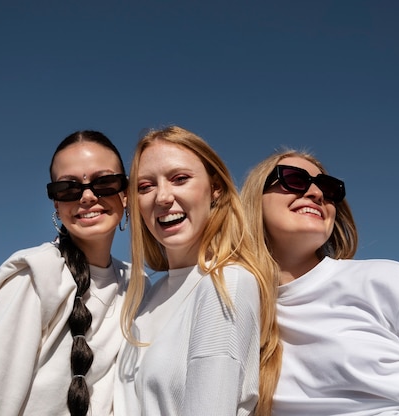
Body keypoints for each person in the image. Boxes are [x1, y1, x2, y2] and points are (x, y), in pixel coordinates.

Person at [239, 148, 399, 416]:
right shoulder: (234, 311)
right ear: (255, 198)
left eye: (328, 189)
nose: (316, 193)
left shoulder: (389, 283)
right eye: (294, 179)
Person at [0, 130, 131, 416]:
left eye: (105, 182)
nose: (88, 196)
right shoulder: (34, 278)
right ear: (56, 203)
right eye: (68, 188)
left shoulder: (137, 287)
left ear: (125, 194)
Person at [114, 126, 281, 416]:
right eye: (145, 186)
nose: (163, 197)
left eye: (180, 179)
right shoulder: (149, 296)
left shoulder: (226, 282)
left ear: (215, 188)